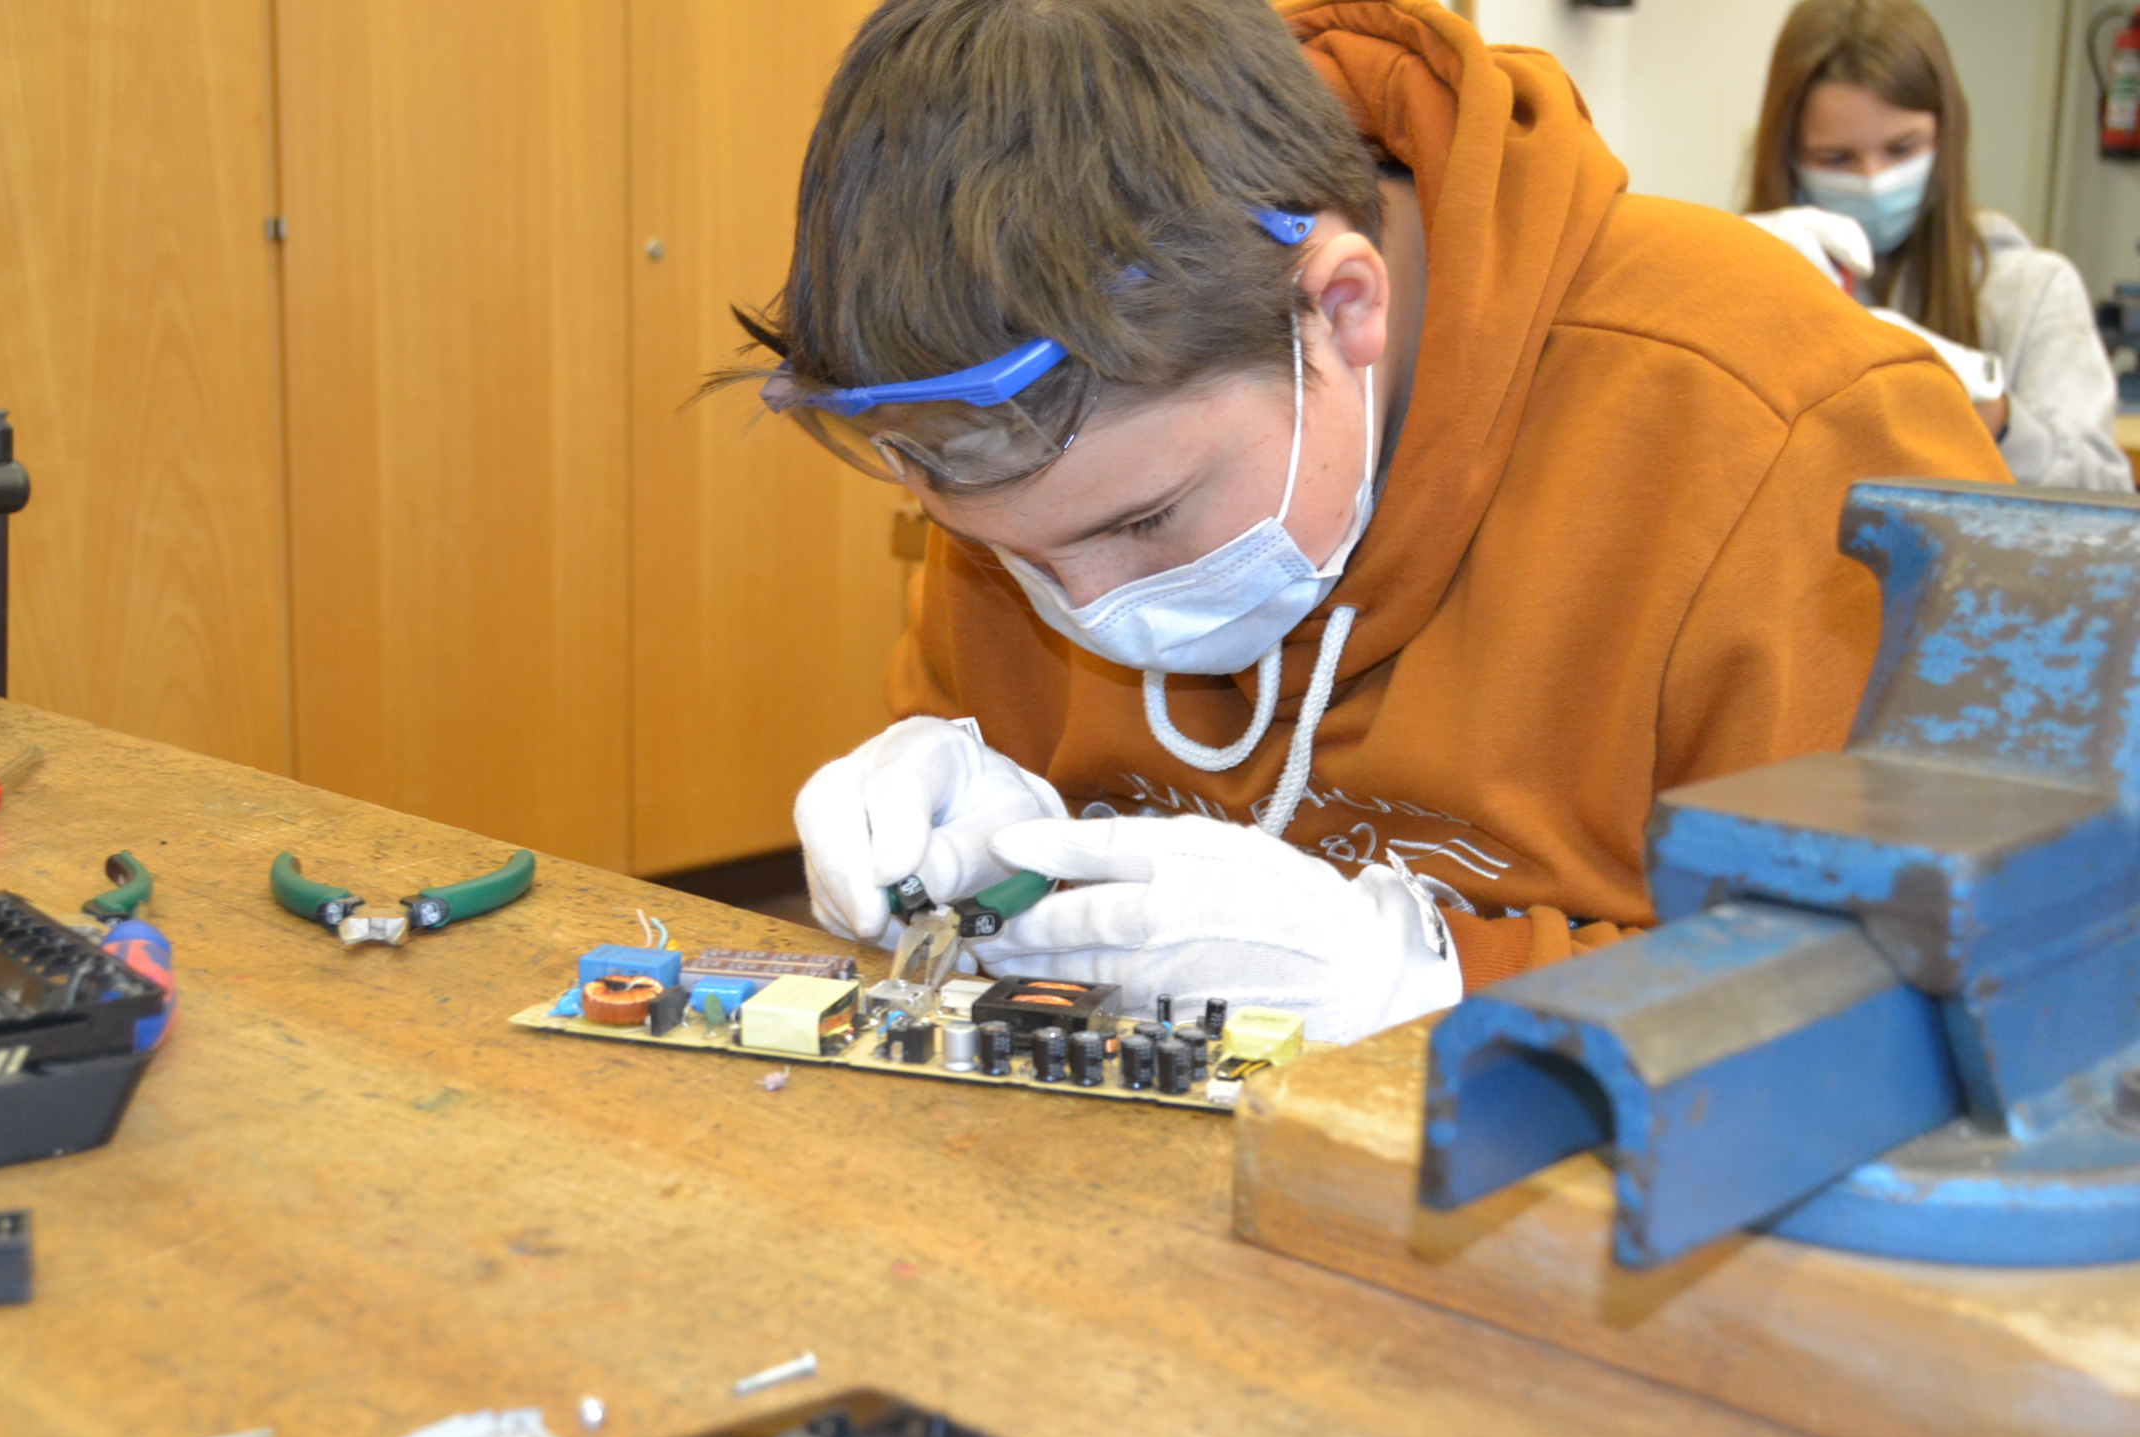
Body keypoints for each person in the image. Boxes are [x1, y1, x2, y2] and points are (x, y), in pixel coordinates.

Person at [746, 0, 2007, 1044]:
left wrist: (1440, 981)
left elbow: (1954, 1008)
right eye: (1013, 555)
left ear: (1344, 309)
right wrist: (968, 836)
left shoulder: (1795, 433)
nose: (1092, 609)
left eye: (1153, 520)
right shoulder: (1032, 442)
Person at [1746, 0, 2133, 494]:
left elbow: (2104, 499)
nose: (1874, 181)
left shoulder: (2031, 291)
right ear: (1787, 157)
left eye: (1902, 149)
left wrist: (1990, 412)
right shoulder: (1755, 271)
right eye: (1836, 158)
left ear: (1945, 135)